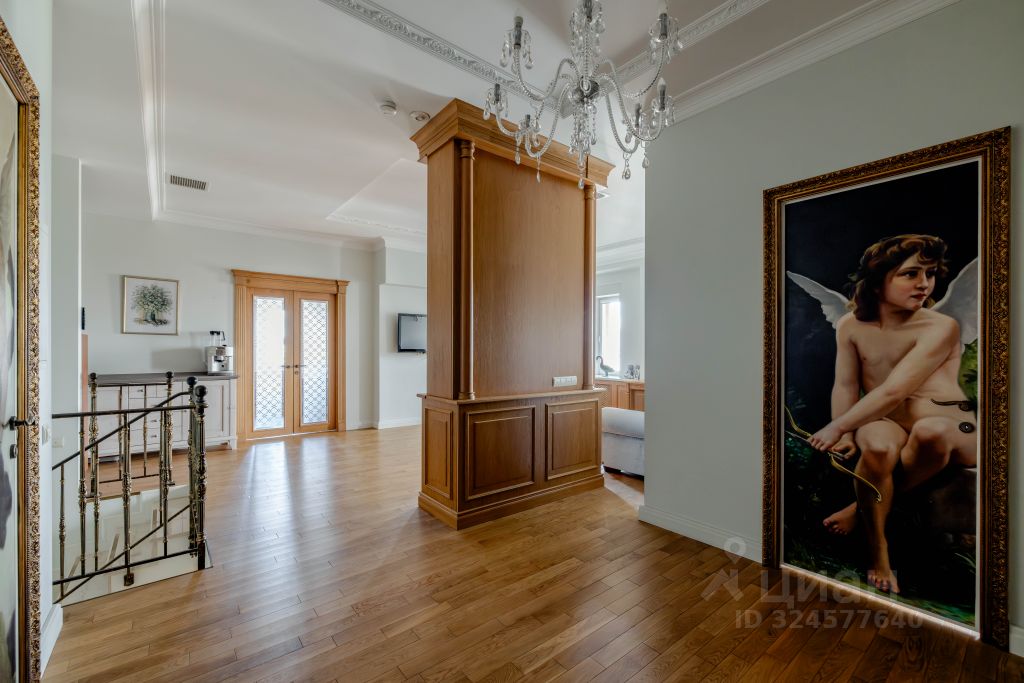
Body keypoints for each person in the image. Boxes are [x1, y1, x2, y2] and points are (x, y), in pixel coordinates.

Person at [807, 234, 977, 594]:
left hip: (951, 425)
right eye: (911, 274)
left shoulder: (940, 326)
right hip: (889, 422)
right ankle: (878, 553)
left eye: (930, 274)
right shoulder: (851, 326)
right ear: (877, 280)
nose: (924, 283)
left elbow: (894, 390)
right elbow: (846, 385)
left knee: (930, 431)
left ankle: (857, 509)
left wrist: (837, 426)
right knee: (878, 445)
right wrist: (848, 434)